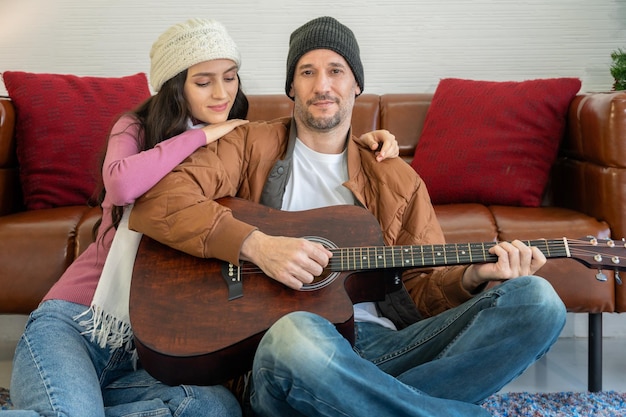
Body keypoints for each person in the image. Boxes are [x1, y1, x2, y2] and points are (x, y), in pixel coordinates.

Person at [128, 16, 567, 417]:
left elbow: (421, 289)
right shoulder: (247, 144)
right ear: (291, 88)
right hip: (279, 351)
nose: (323, 85)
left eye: (336, 71)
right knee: (297, 331)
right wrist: (258, 245)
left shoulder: (396, 179)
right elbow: (161, 201)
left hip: (380, 348)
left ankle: (354, 401)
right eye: (307, 72)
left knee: (537, 300)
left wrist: (473, 276)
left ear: (356, 84)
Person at [5, 18, 400, 417]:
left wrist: (361, 146)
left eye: (230, 78)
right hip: (81, 321)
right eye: (203, 81)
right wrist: (202, 135)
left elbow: (309, 135)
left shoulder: (242, 141)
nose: (222, 93)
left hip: (153, 347)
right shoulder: (139, 128)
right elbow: (123, 186)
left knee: (214, 409)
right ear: (175, 86)